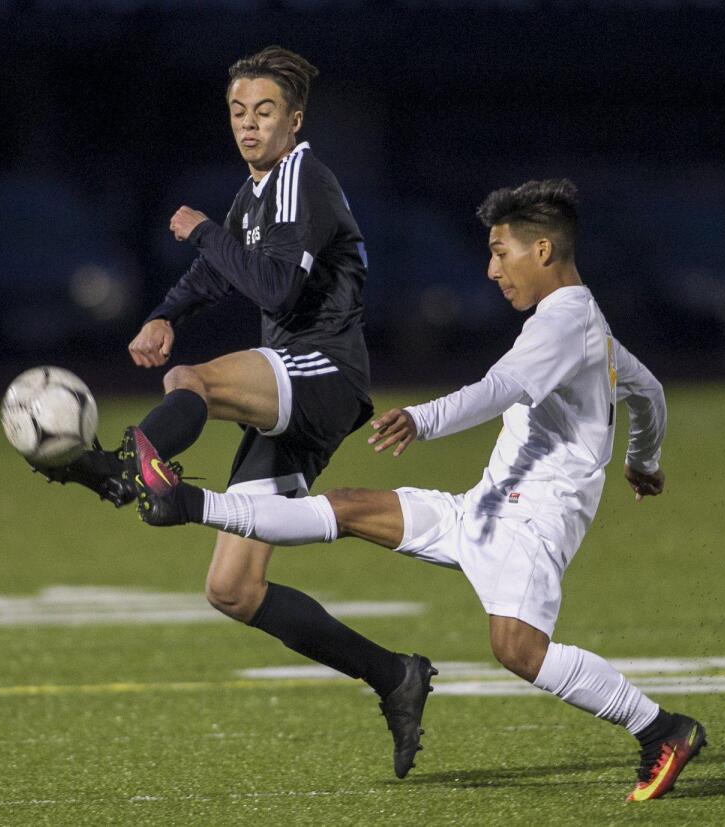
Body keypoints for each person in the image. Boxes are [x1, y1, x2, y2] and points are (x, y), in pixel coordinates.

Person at [126, 178, 708, 801]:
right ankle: (185, 502)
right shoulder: (586, 322)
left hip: (529, 525)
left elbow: (499, 388)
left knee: (519, 650)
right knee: (349, 507)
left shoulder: (564, 325)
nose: (490, 270)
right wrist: (642, 460)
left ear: (542, 252)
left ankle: (662, 729)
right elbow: (647, 390)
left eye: (499, 252)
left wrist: (422, 419)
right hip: (484, 507)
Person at [30, 46, 435, 778]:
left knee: (195, 381)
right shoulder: (258, 192)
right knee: (233, 588)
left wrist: (202, 230)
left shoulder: (299, 178)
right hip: (301, 387)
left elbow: (275, 291)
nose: (249, 125)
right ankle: (394, 675)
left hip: (324, 370)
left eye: (265, 112)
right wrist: (165, 312)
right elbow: (221, 268)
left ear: (295, 119)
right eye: (238, 112)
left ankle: (126, 469)